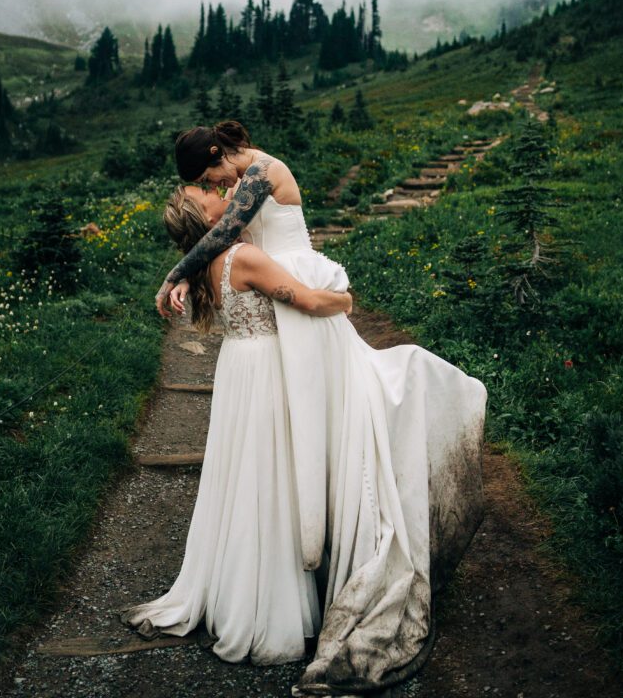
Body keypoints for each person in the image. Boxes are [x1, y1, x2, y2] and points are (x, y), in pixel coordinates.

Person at [152, 122, 487, 695]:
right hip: (287, 300)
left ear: (217, 154)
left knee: (335, 413)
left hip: (293, 293)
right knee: (313, 424)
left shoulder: (261, 170)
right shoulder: (240, 190)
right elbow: (226, 237)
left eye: (211, 175)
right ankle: (320, 553)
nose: (217, 185)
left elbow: (228, 231)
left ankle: (329, 547)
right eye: (210, 183)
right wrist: (183, 271)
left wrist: (175, 273)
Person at [120, 185, 352, 664]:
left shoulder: (203, 265)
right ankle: (265, 606)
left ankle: (239, 583)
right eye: (208, 199)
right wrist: (345, 300)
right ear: (206, 222)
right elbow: (307, 301)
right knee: (267, 476)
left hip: (237, 366)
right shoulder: (243, 256)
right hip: (265, 367)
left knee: (242, 476)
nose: (221, 197)